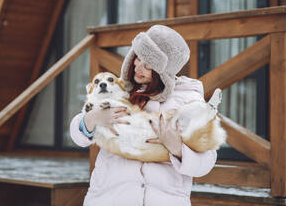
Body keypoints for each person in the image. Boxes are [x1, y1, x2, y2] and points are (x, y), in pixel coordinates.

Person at [70, 25, 217, 206]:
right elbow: (78, 136)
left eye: (147, 65)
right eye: (137, 58)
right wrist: (91, 119)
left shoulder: (189, 100)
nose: (138, 67)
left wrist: (178, 149)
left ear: (163, 73)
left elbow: (207, 161)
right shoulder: (120, 89)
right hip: (109, 197)